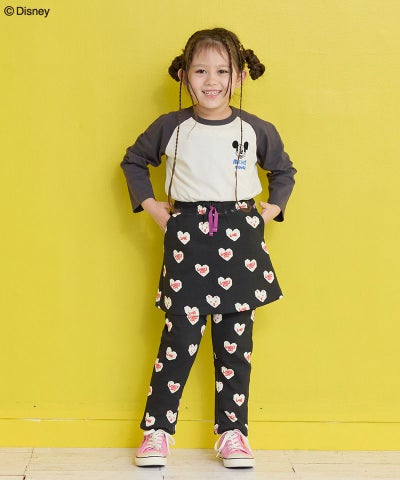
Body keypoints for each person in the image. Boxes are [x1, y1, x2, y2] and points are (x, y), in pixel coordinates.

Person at [120, 27, 296, 469]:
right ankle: (157, 431)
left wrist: (271, 210)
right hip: (188, 239)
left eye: (222, 71)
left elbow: (283, 171)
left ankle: (233, 433)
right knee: (178, 339)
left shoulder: (256, 129)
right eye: (200, 71)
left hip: (241, 239)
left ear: (239, 77)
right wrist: (154, 208)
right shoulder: (171, 127)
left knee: (236, 344)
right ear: (183, 75)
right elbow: (134, 161)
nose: (211, 80)